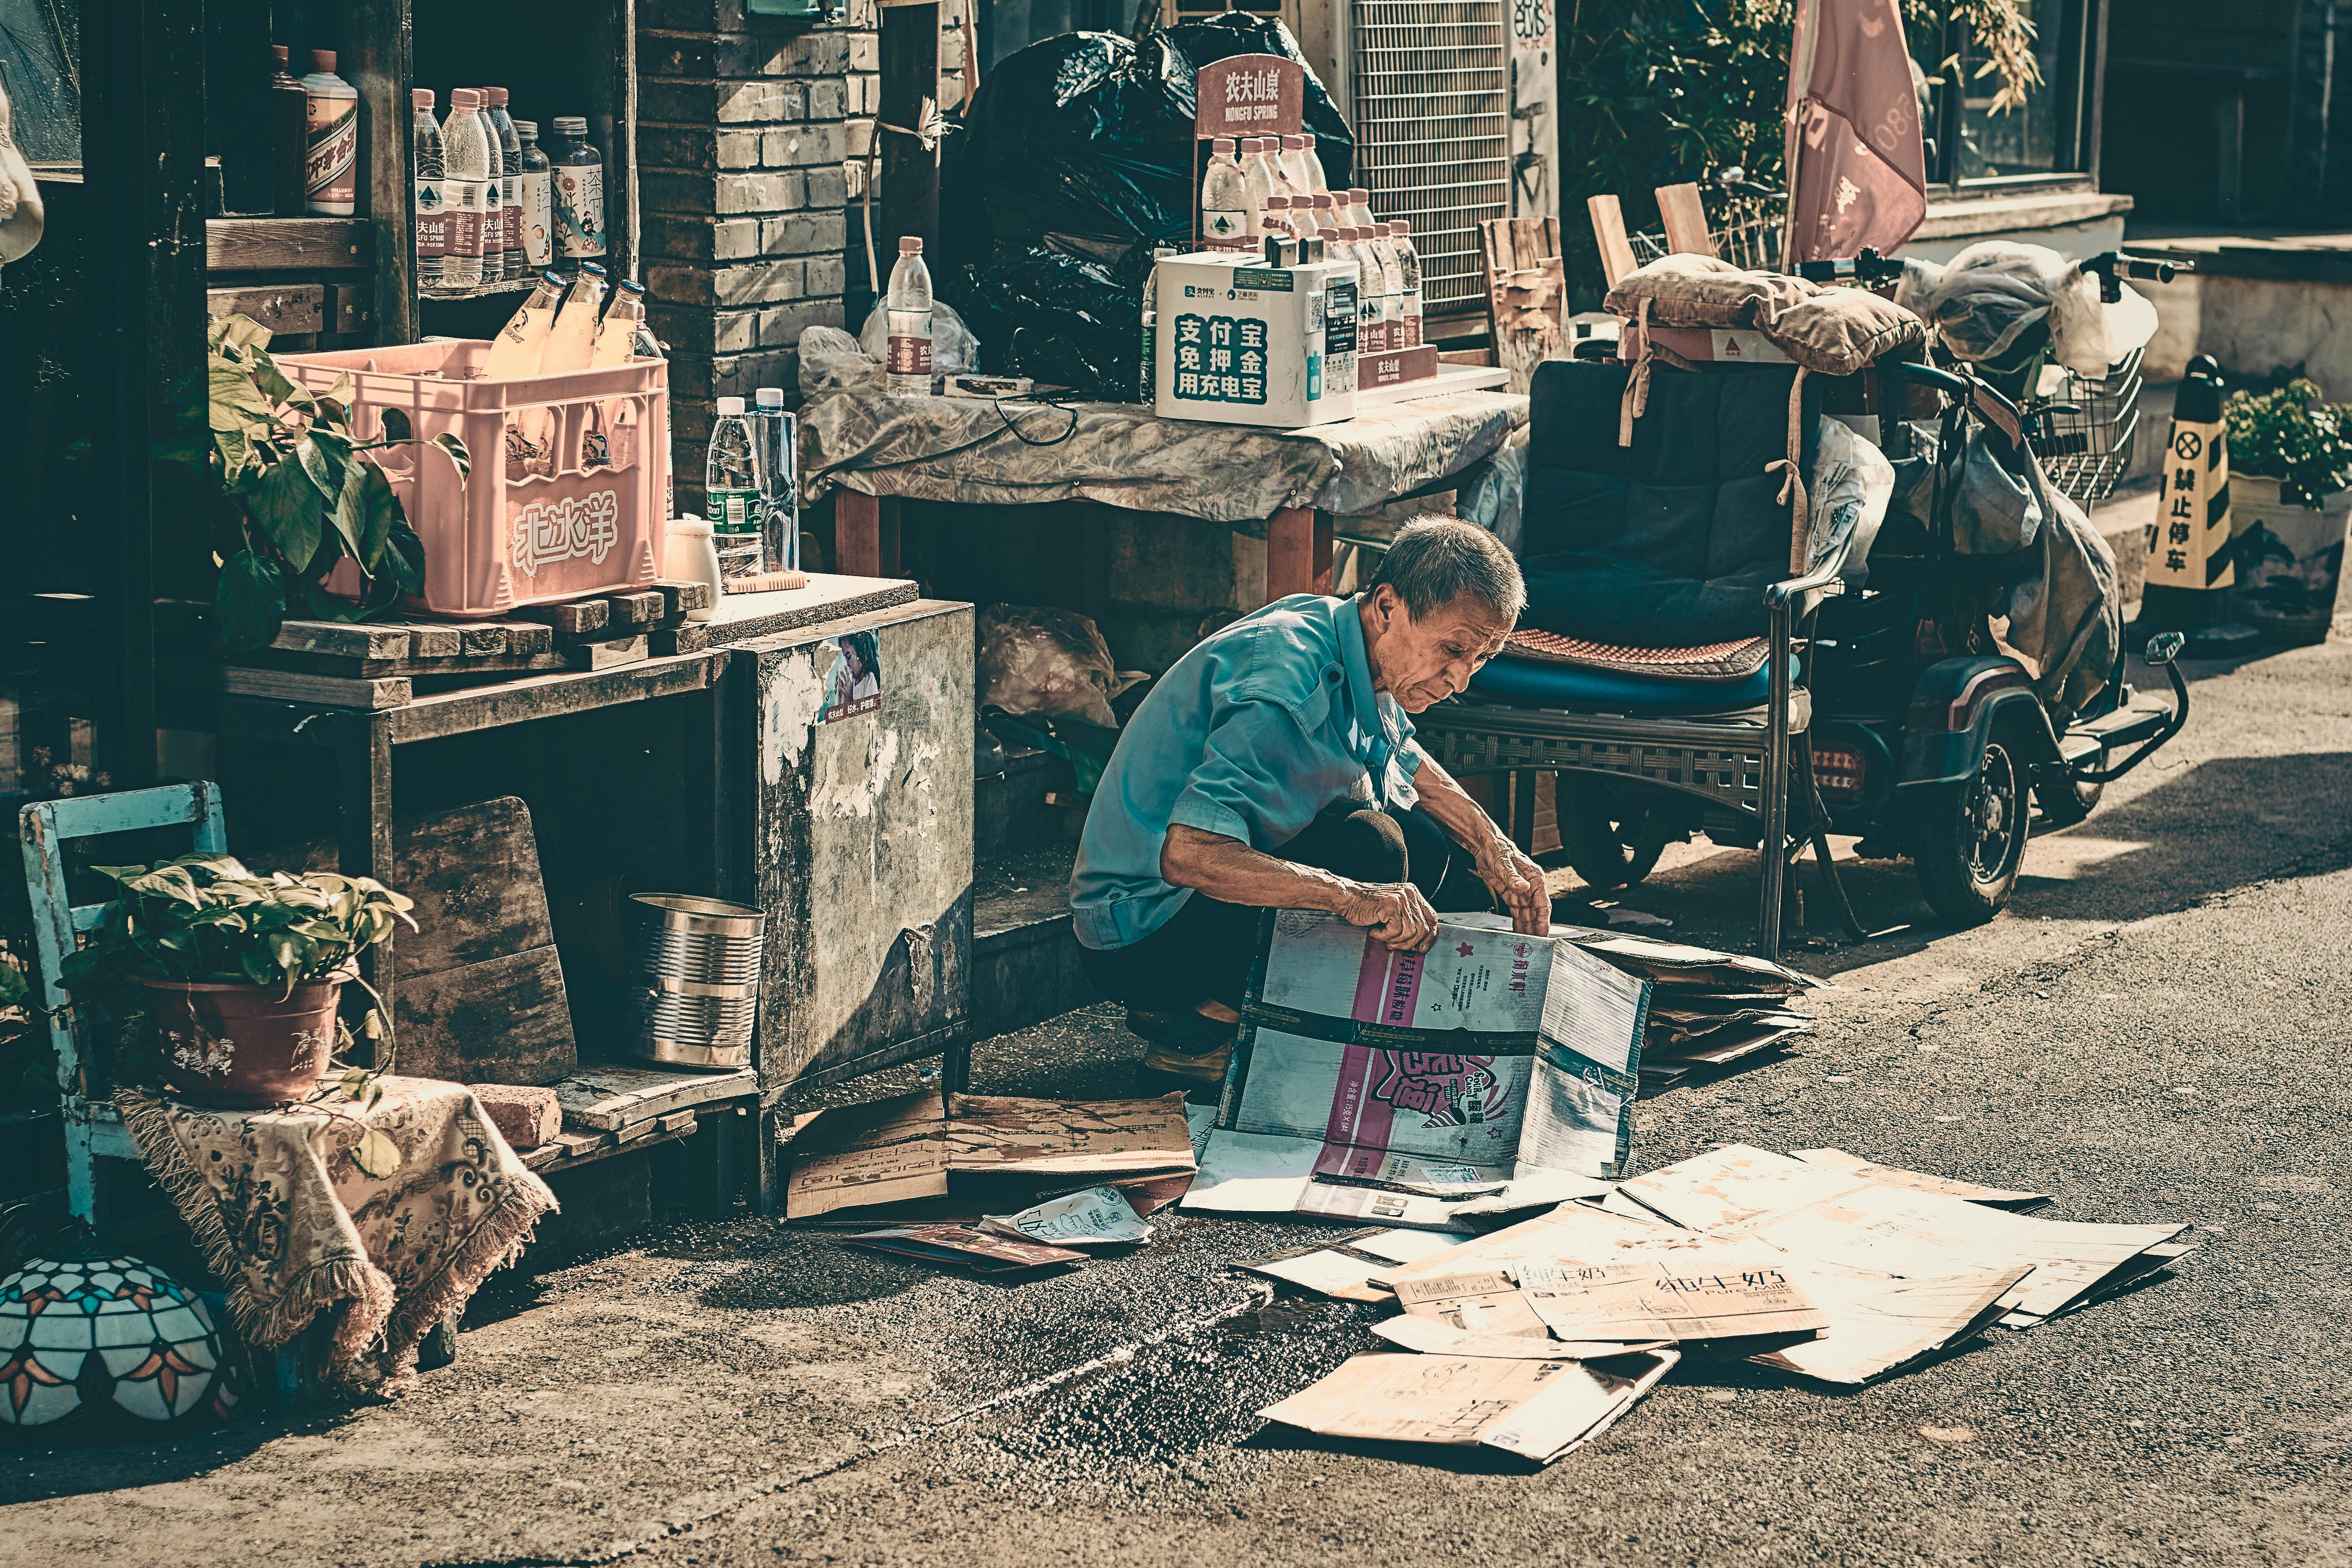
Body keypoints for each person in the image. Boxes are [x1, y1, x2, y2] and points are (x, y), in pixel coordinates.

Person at [1069, 517, 1546, 1086]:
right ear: (1389, 606)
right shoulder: (1284, 685)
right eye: (1453, 649)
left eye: (1481, 657)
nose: (1461, 679)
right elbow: (1189, 855)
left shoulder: (1348, 634)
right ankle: (1197, 1030)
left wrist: (1491, 842)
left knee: (1423, 843)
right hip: (1139, 933)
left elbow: (1403, 755)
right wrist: (1349, 897)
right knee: (1372, 851)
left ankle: (1245, 1013)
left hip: (1186, 907)